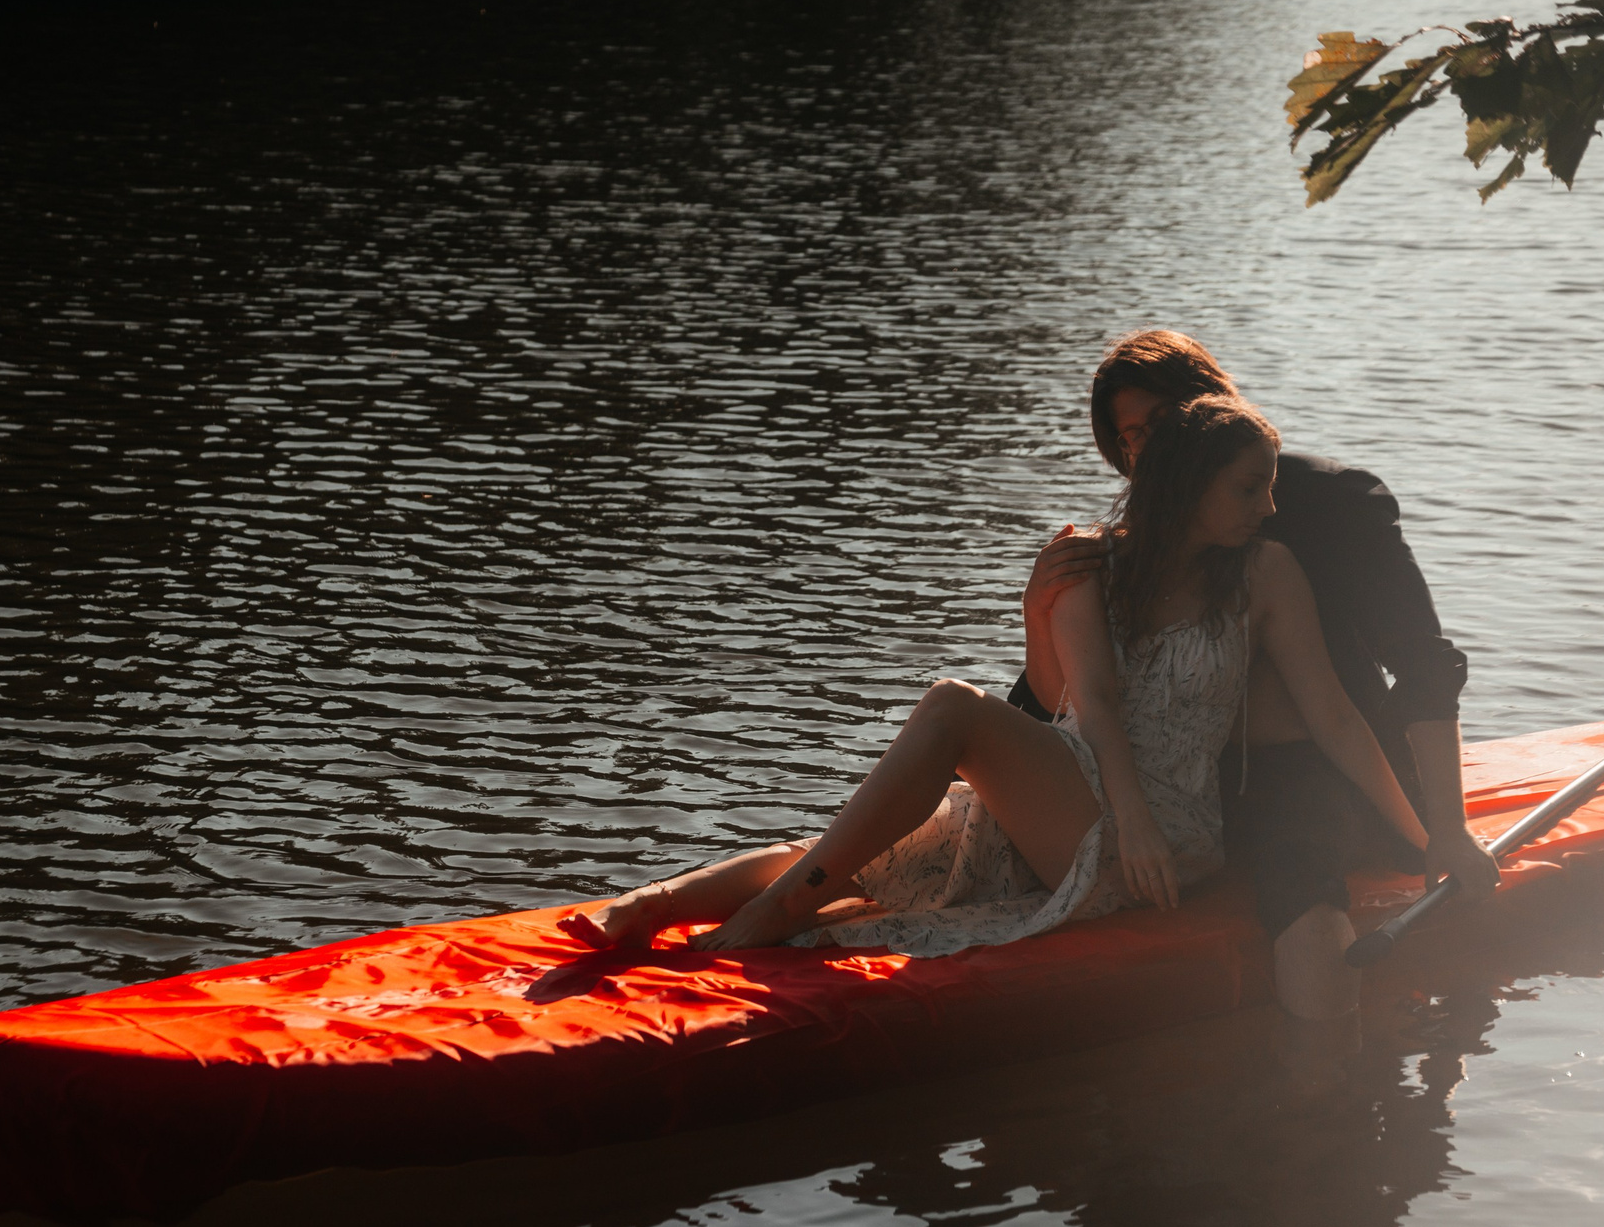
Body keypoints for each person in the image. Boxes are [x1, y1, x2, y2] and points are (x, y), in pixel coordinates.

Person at [561, 396, 1427, 960]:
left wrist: (1430, 843)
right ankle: (656, 902)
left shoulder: (1266, 573)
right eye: (1249, 488)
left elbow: (1338, 720)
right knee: (872, 857)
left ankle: (768, 918)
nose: (1269, 508)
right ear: (1193, 485)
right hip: (1090, 796)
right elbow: (1084, 702)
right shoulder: (1094, 563)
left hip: (1162, 831)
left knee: (952, 709)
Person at [1011, 331, 1498, 1021]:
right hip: (1166, 777)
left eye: (1162, 423)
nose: (1148, 450)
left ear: (1210, 408)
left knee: (1297, 869)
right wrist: (1038, 609)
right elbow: (1059, 707)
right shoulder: (1139, 542)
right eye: (1130, 438)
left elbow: (1422, 664)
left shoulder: (1333, 503)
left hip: (1305, 765)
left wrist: (1444, 828)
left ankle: (1323, 1089)